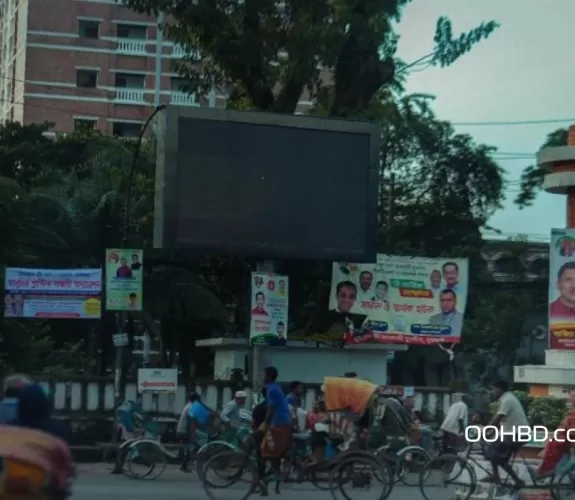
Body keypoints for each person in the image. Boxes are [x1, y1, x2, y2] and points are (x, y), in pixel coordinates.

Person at [484, 379, 528, 487]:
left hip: (516, 434)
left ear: (500, 389)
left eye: (493, 389)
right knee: (501, 459)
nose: (492, 391)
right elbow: (502, 422)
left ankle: (495, 476)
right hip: (512, 434)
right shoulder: (507, 399)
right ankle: (518, 481)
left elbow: (498, 418)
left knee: (492, 452)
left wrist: (484, 431)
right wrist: (490, 433)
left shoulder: (507, 400)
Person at [260, 366, 292, 495]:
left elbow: (271, 408)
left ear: (268, 376)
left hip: (279, 425)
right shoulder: (276, 388)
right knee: (273, 455)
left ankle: (267, 481)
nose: (263, 377)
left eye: (264, 375)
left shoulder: (271, 390)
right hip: (282, 423)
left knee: (266, 451)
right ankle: (271, 484)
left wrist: (265, 423)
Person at [536, 389, 575, 476]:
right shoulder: (572, 412)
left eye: (572, 397)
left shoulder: (573, 414)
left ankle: (545, 471)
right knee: (551, 444)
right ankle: (543, 470)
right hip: (564, 437)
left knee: (553, 445)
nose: (570, 400)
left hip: (566, 439)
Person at [177, 393, 194, 472]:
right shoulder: (191, 407)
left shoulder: (188, 405)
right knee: (189, 448)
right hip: (184, 430)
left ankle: (184, 465)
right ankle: (183, 466)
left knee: (188, 448)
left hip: (182, 429)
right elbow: (191, 421)